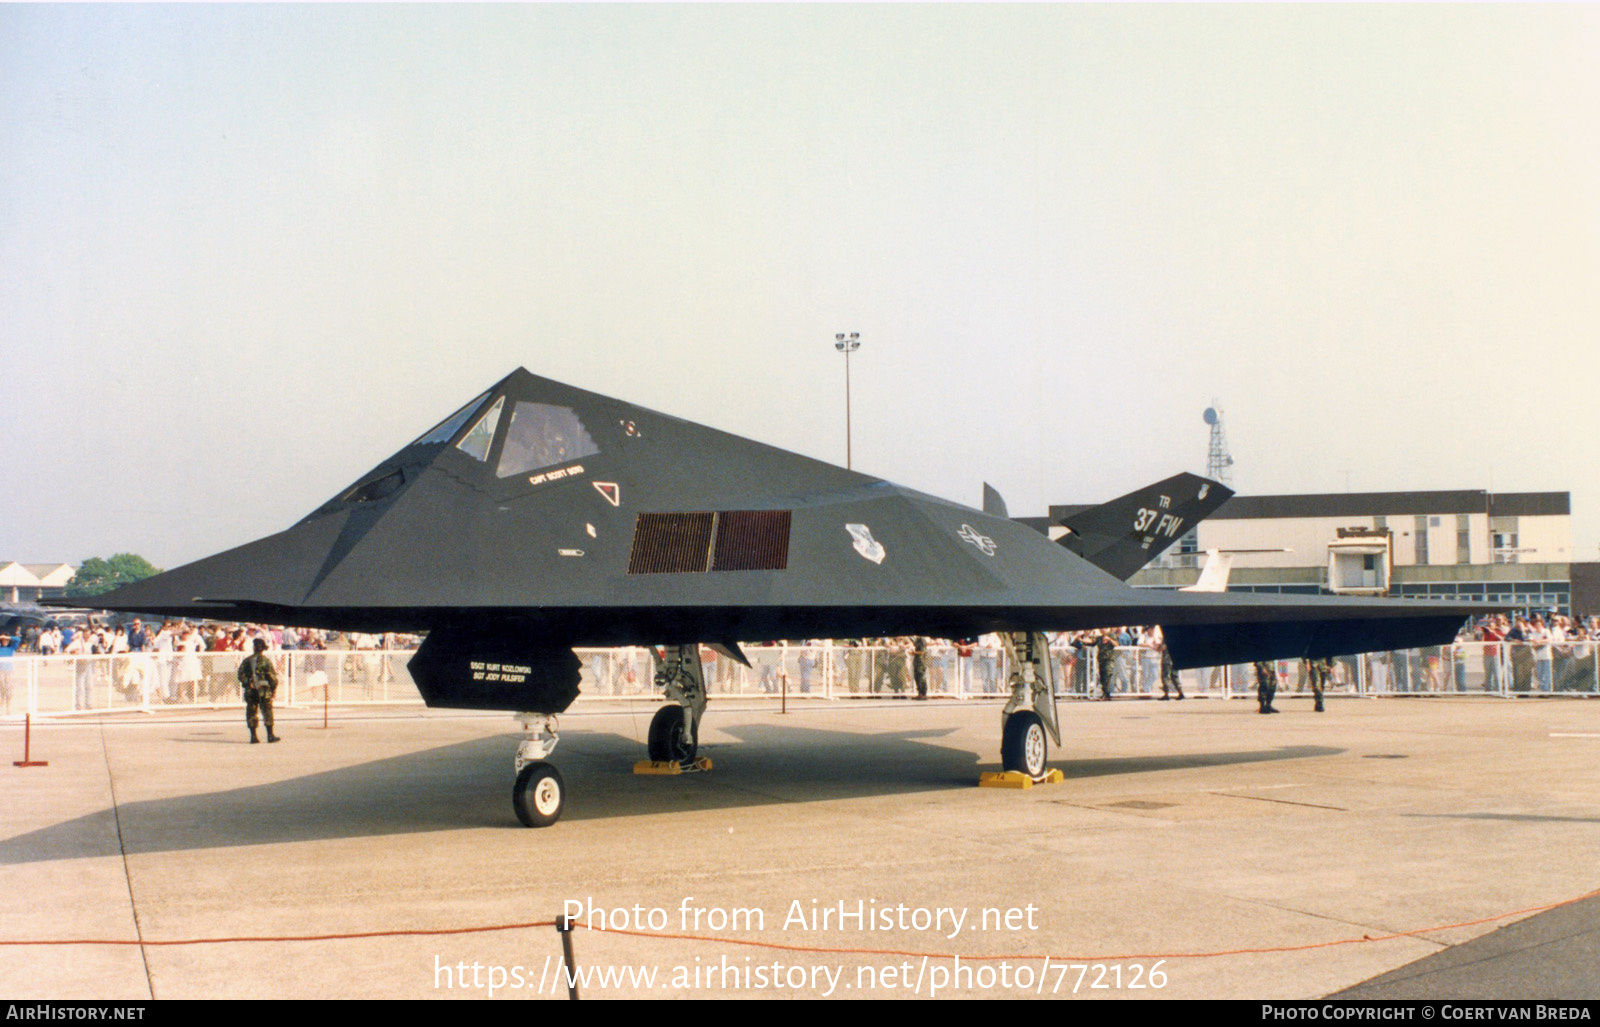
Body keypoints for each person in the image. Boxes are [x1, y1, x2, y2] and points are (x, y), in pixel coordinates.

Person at [237, 638, 280, 743]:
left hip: (251, 690)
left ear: (254, 647)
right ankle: (270, 735)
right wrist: (273, 689)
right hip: (264, 691)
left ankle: (253, 737)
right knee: (267, 712)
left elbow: (240, 675)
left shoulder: (247, 660)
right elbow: (273, 678)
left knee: (251, 712)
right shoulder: (266, 661)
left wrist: (248, 683)